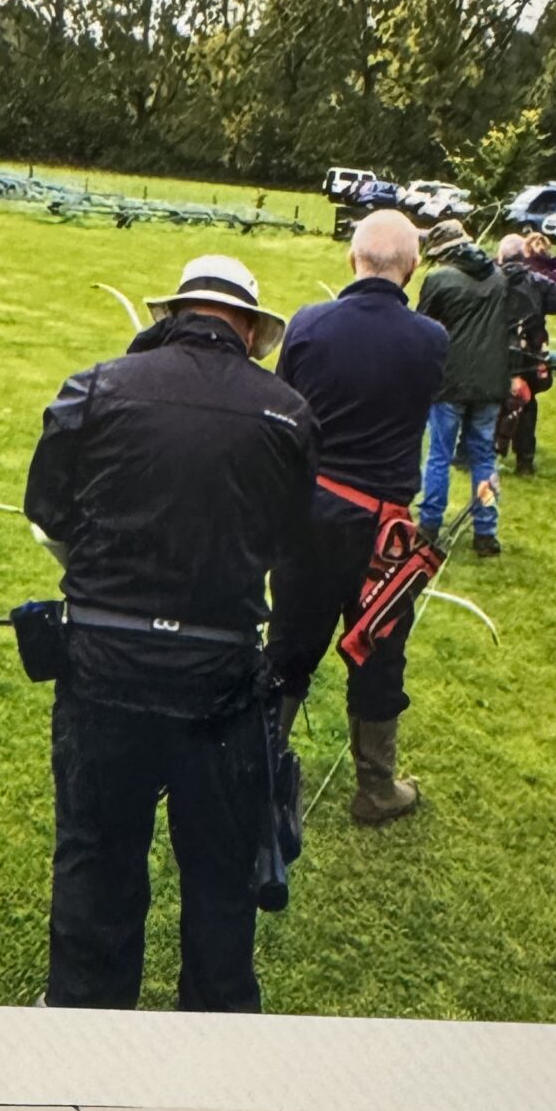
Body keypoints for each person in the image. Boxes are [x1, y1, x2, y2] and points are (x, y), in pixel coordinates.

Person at [24, 254, 318, 1014]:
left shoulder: (96, 387)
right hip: (218, 680)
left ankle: (84, 1026)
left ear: (175, 317)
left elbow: (48, 517)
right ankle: (212, 1041)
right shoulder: (288, 414)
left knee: (97, 859)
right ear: (249, 331)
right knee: (221, 877)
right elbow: (291, 543)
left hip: (106, 672)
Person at [266, 209, 450, 828]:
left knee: (289, 641)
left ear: (353, 259)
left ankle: (259, 768)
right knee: (379, 650)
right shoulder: (431, 339)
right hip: (384, 534)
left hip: (311, 519)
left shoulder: (308, 324)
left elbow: (286, 410)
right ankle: (376, 788)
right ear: (413, 267)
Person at [414, 219, 512, 556]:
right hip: (491, 380)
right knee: (484, 456)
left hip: (450, 380)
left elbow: (423, 328)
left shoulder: (439, 279)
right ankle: (486, 531)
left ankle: (429, 525)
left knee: (439, 455)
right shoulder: (499, 276)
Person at [495, 235, 556, 478]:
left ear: (500, 256)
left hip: (496, 349)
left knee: (491, 400)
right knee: (527, 402)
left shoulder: (490, 279)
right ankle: (524, 463)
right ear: (525, 255)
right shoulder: (537, 280)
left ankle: (482, 453)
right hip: (529, 351)